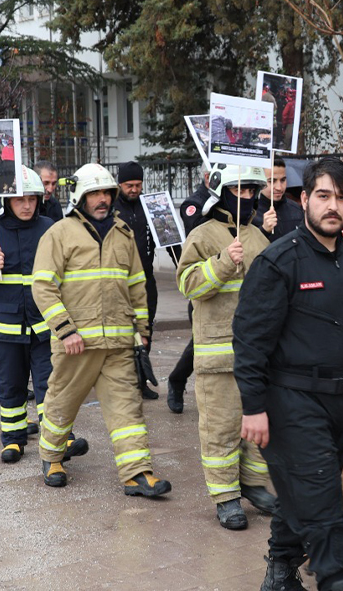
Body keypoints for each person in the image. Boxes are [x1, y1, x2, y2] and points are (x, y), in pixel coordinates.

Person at [234, 158, 343, 591]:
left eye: (342, 198)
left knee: (300, 490)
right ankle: (337, 580)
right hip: (290, 401)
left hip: (340, 402)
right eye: (323, 196)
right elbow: (250, 341)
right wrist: (253, 407)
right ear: (304, 199)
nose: (334, 206)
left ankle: (280, 570)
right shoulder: (278, 262)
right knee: (327, 503)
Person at [32, 163, 170, 498]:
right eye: (95, 193)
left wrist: (142, 330)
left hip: (119, 341)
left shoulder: (123, 234)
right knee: (63, 402)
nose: (102, 199)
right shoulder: (60, 233)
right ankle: (51, 457)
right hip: (76, 343)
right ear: (80, 196)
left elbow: (137, 285)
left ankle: (137, 472)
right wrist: (66, 331)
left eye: (106, 192)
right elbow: (43, 287)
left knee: (127, 408)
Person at [176, 163, 277, 530]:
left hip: (258, 356)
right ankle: (226, 497)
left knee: (257, 428)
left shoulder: (258, 236)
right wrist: (221, 263)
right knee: (220, 428)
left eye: (252, 190)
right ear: (223, 192)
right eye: (240, 190)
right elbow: (190, 287)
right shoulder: (203, 235)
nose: (247, 197)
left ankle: (252, 485)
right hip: (217, 355)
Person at [0, 168, 84, 462]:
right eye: (20, 200)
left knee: (51, 385)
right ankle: (14, 440)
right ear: (7, 200)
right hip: (6, 328)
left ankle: (59, 439)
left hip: (46, 327)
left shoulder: (51, 228)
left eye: (32, 199)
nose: (27, 205)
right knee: (11, 386)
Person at [164, 170, 212, 414]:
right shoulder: (195, 203)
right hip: (204, 284)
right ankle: (177, 379)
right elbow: (198, 233)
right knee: (201, 343)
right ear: (207, 175)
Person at [112, 162, 160, 400]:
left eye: (138, 185)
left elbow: (166, 236)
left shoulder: (149, 206)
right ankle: (123, 384)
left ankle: (141, 382)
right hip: (120, 283)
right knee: (122, 334)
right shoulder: (111, 208)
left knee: (145, 329)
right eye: (129, 185)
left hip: (146, 280)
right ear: (120, 184)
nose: (134, 190)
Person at [253, 158, 304, 242]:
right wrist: (264, 230)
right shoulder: (249, 212)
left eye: (283, 180)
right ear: (259, 180)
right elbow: (248, 250)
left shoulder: (296, 209)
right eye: (272, 181)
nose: (279, 187)